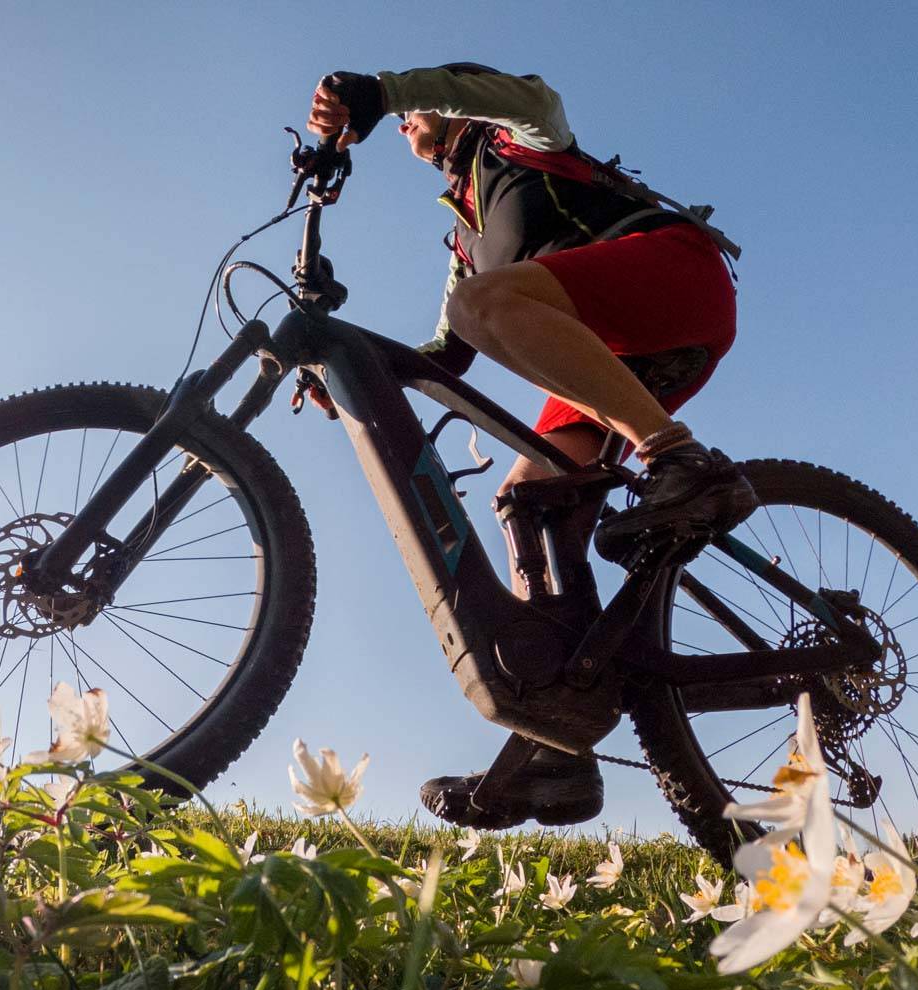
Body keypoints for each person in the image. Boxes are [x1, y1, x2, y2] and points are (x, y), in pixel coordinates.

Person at [307, 63, 758, 829]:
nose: (408, 126)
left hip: (674, 278)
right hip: (616, 357)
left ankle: (680, 459)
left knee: (487, 304)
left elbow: (532, 94)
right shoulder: (468, 240)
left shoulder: (520, 140)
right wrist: (339, 374)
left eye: (417, 112)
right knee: (527, 495)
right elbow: (446, 355)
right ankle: (558, 741)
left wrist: (384, 90)